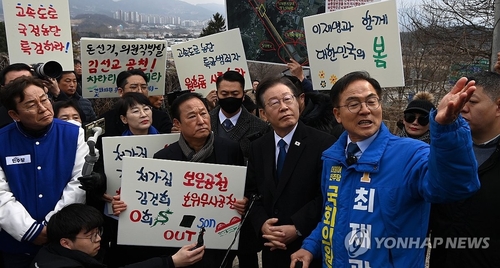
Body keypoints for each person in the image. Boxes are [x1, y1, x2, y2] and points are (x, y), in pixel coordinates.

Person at [290, 71, 480, 268]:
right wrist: (311, 246)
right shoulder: (332, 158)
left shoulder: (412, 154)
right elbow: (333, 215)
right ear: (337, 114)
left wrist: (448, 129)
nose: (365, 110)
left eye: (372, 101)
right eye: (354, 104)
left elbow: (456, 186)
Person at [112, 93, 245, 268]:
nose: (201, 120)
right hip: (175, 246)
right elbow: (151, 201)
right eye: (191, 116)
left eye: (204, 113)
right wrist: (125, 205)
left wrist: (244, 201)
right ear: (177, 123)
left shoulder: (230, 149)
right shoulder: (163, 157)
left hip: (217, 243)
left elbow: (243, 189)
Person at [244, 76, 337, 268]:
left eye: (288, 99)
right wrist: (263, 224)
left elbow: (327, 195)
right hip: (272, 247)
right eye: (274, 103)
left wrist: (297, 227)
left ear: (299, 101)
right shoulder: (258, 147)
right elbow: (251, 192)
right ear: (263, 113)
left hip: (309, 247)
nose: (284, 107)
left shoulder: (323, 144)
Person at [0, 76, 88, 267]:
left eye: (44, 99)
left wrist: (53, 226)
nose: (43, 108)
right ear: (15, 114)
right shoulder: (2, 140)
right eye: (31, 105)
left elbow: (78, 182)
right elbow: (1, 194)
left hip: (63, 241)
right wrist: (29, 230)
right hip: (15, 244)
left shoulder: (74, 133)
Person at [429, 71, 500, 268]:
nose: (462, 107)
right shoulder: (442, 151)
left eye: (472, 101)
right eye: (460, 99)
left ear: (498, 106)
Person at [30, 203, 204, 268]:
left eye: (99, 233)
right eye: (91, 236)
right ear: (66, 243)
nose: (98, 239)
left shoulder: (49, 253)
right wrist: (171, 262)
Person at [211, 70, 269, 160]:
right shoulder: (204, 122)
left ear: (243, 95)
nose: (229, 97)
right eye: (224, 94)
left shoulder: (260, 127)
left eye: (235, 94)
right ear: (217, 95)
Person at [99, 69, 173, 136]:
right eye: (134, 87)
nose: (140, 91)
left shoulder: (161, 117)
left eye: (144, 87)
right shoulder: (106, 121)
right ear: (121, 91)